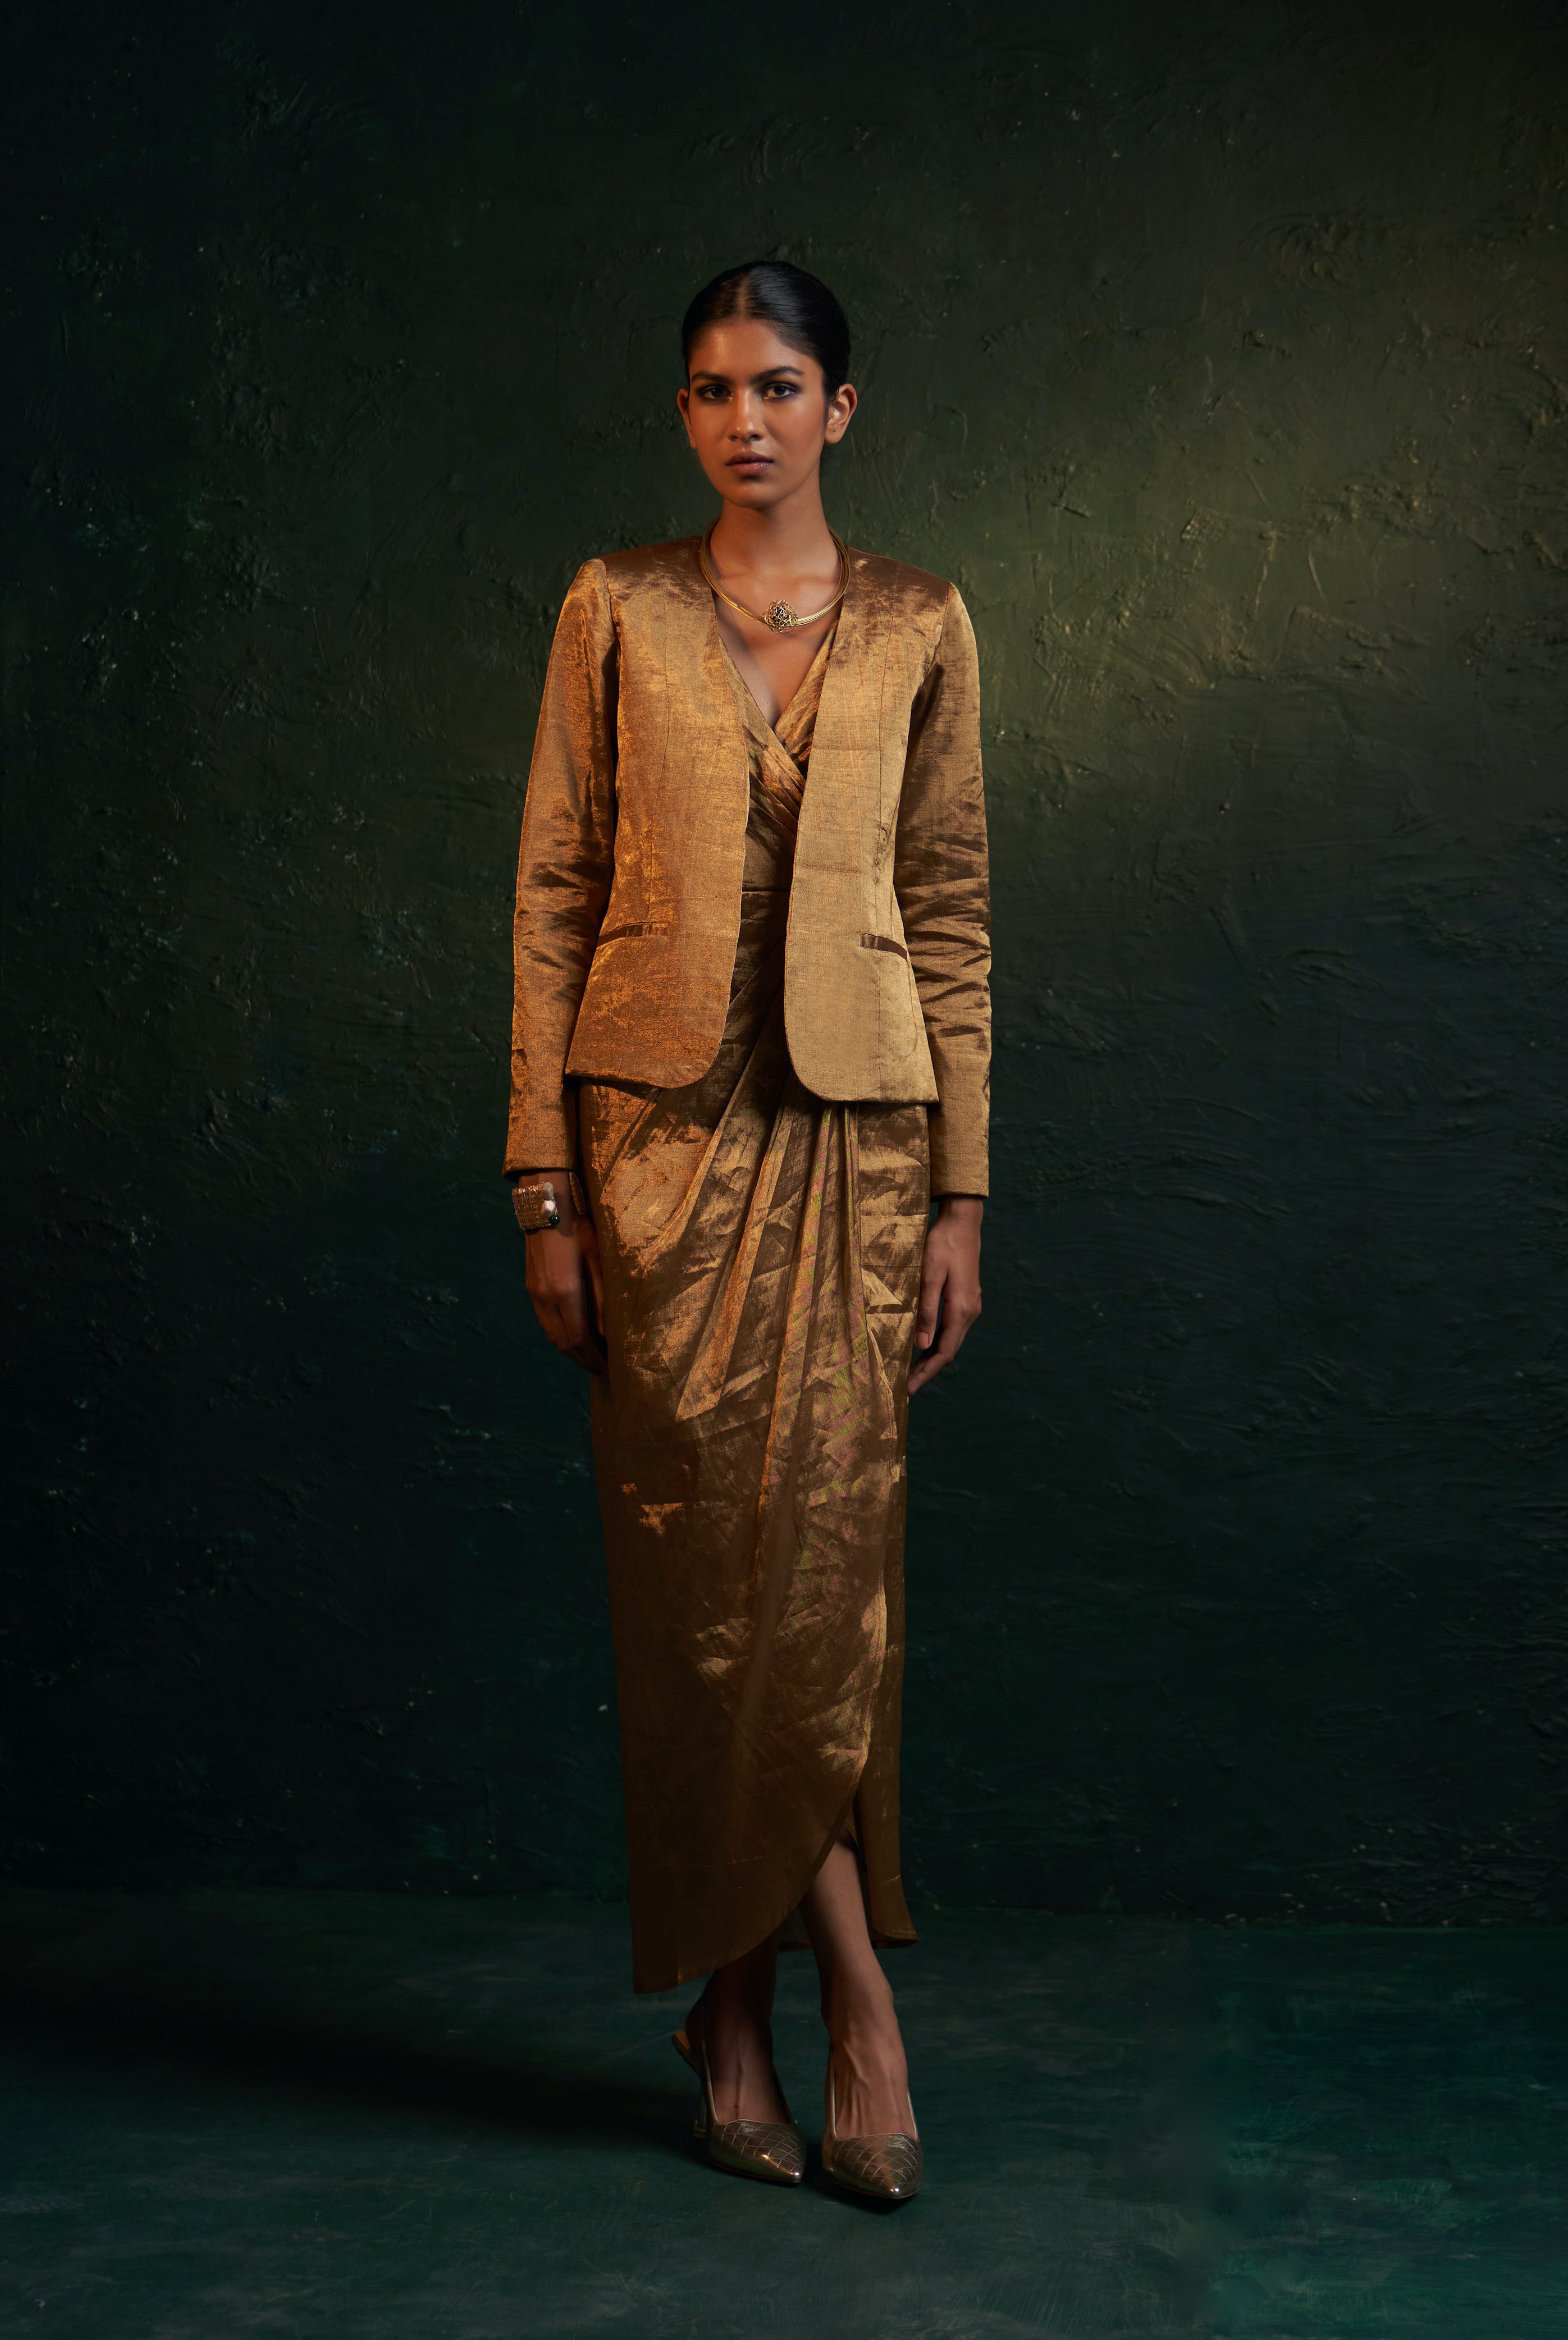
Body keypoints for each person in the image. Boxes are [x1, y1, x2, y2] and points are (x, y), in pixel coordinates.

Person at [505, 259, 989, 2202]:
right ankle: (834, 2002)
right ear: (685, 413)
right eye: (712, 389)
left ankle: (756, 2014)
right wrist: (543, 1186)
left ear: (837, 409)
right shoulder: (614, 606)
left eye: (778, 386)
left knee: (829, 1586)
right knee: (702, 1581)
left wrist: (963, 1190)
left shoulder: (923, 620)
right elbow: (552, 893)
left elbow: (948, 915)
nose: (744, 420)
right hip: (651, 1150)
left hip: (859, 1147)